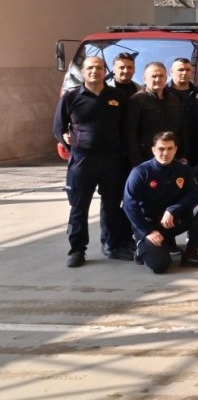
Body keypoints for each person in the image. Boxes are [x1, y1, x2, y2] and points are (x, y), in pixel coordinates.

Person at [53, 55, 131, 267]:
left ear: (104, 71)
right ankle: (77, 250)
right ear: (83, 71)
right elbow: (58, 128)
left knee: (112, 206)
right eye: (89, 68)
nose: (94, 71)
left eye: (98, 68)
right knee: (79, 207)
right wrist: (70, 143)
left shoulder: (116, 96)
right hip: (82, 162)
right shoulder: (71, 97)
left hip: (112, 161)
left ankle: (113, 245)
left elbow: (125, 129)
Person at [123, 131, 198, 272]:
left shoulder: (183, 169)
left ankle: (190, 255)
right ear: (153, 150)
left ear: (175, 149)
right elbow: (129, 204)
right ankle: (142, 249)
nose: (165, 153)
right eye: (161, 149)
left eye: (170, 149)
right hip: (149, 224)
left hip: (171, 221)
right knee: (160, 266)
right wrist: (148, 231)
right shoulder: (140, 172)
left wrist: (172, 210)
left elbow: (194, 195)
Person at [123, 61, 188, 166]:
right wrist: (137, 163)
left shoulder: (175, 99)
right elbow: (131, 135)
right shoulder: (136, 100)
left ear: (166, 78)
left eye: (161, 76)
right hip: (147, 161)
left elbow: (184, 129)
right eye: (153, 76)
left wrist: (184, 155)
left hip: (174, 159)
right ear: (145, 79)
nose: (157, 79)